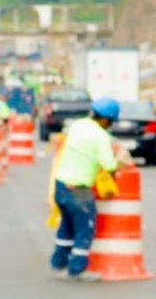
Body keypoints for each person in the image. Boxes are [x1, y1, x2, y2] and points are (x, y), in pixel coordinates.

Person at [49, 96, 127, 282]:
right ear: (106, 119)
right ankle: (77, 269)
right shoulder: (101, 136)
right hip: (79, 188)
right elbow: (108, 165)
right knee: (85, 229)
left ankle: (58, 264)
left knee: (66, 227)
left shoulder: (78, 125)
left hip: (61, 184)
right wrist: (120, 163)